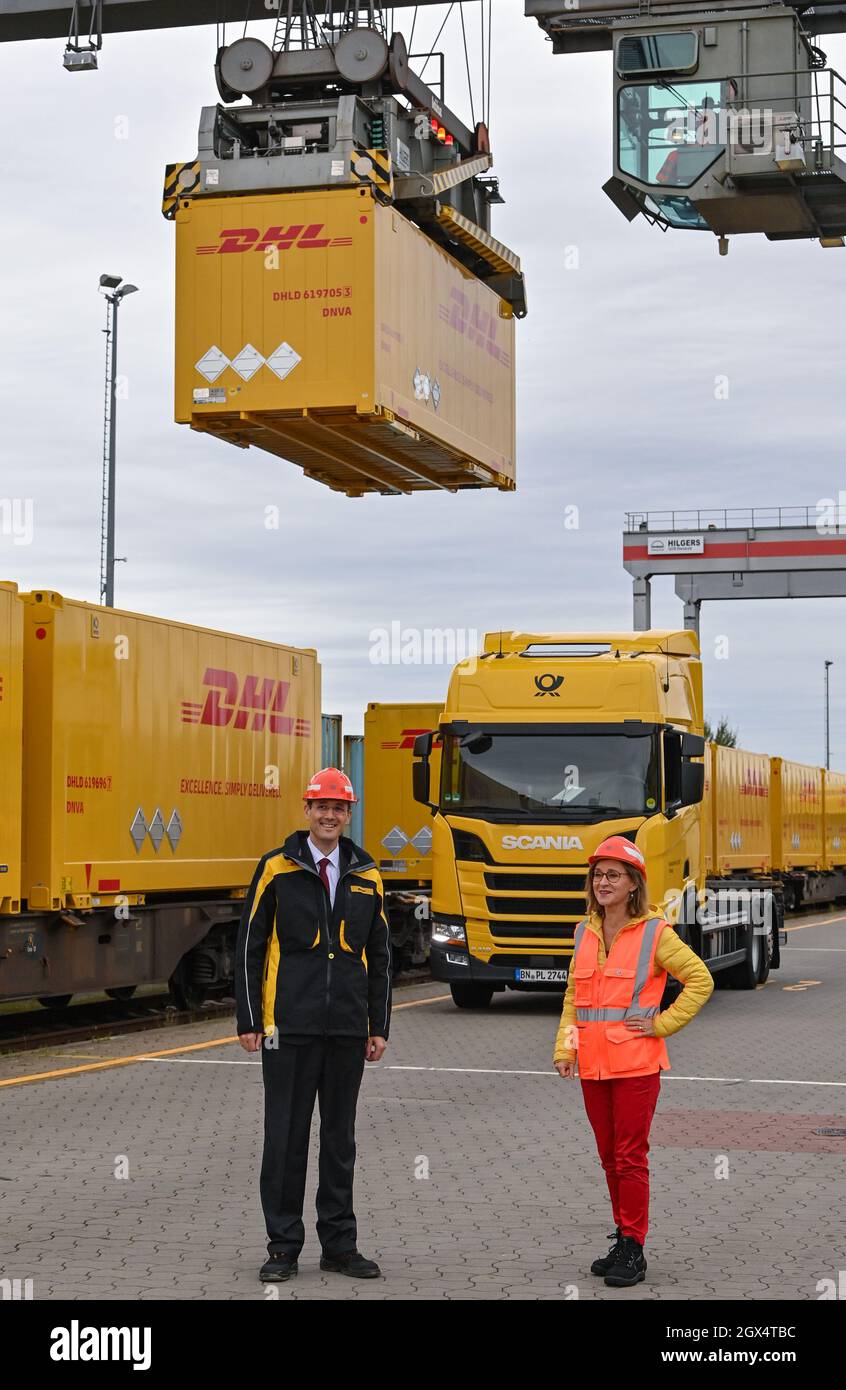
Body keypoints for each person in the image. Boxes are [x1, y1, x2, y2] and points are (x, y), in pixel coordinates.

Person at [235, 766, 392, 1283]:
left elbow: (380, 954)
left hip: (347, 1025)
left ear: (350, 814)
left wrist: (379, 1024)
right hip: (288, 1025)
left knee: (339, 1138)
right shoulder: (276, 867)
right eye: (321, 806)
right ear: (307, 810)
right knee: (284, 1136)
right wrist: (252, 1018)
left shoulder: (367, 873)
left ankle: (340, 1246)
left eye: (339, 807)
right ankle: (282, 1246)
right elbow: (250, 947)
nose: (329, 815)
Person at [553, 835, 714, 1288]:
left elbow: (699, 980)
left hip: (637, 1066)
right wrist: (566, 1048)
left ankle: (635, 1248)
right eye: (597, 875)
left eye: (613, 875)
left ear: (632, 884)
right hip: (593, 1066)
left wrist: (662, 1024)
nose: (602, 882)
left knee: (629, 1156)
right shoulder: (584, 931)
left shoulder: (655, 933)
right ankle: (623, 1235)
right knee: (609, 1157)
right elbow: (573, 997)